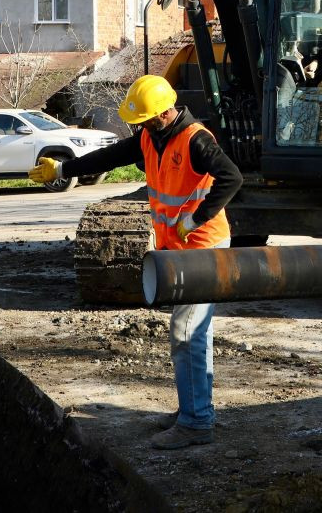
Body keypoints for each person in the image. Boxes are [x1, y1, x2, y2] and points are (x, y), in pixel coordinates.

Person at [28, 74, 241, 450]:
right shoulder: (151, 137)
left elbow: (231, 177)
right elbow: (111, 156)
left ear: (162, 114)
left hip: (203, 246)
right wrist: (62, 170)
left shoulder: (196, 139)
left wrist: (195, 218)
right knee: (194, 332)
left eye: (142, 120)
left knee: (187, 331)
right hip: (179, 247)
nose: (138, 126)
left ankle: (195, 423)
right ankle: (194, 410)